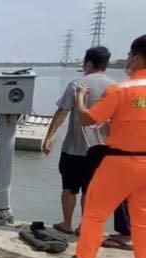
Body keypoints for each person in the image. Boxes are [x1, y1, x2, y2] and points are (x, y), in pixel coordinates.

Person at [58, 35, 146, 258]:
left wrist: (81, 100)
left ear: (138, 57)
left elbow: (87, 120)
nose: (128, 59)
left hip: (120, 161)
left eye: (130, 55)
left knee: (95, 213)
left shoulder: (122, 90)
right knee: (142, 220)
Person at [42, 47, 115, 235]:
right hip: (101, 150)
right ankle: (85, 226)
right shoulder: (115, 88)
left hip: (74, 148)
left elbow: (62, 113)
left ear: (88, 63)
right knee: (90, 190)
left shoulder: (77, 84)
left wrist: (49, 137)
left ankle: (66, 223)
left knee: (69, 188)